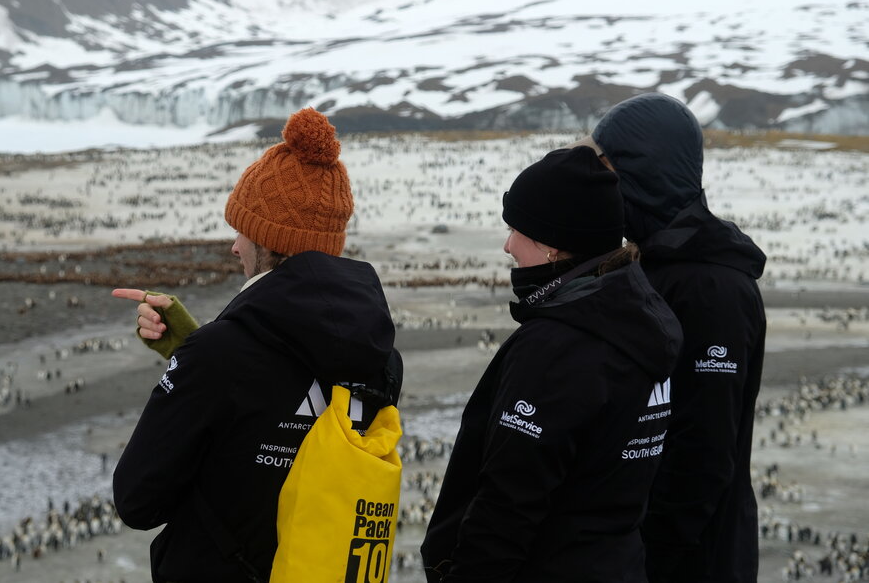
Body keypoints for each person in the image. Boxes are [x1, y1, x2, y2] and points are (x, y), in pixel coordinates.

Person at [111, 108, 403, 583]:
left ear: (269, 238)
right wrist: (197, 343)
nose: (234, 246)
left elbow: (138, 499)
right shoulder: (380, 358)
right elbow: (281, 381)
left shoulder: (218, 357)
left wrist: (197, 357)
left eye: (242, 229)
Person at [420, 146, 683, 582]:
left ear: (552, 243)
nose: (507, 245)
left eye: (516, 229)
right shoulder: (638, 323)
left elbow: (507, 507)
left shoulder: (559, 347)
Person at [585, 93, 767, 583]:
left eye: (608, 167)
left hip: (693, 557)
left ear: (643, 170)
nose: (601, 184)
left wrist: (652, 555)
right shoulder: (657, 264)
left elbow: (703, 450)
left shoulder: (712, 287)